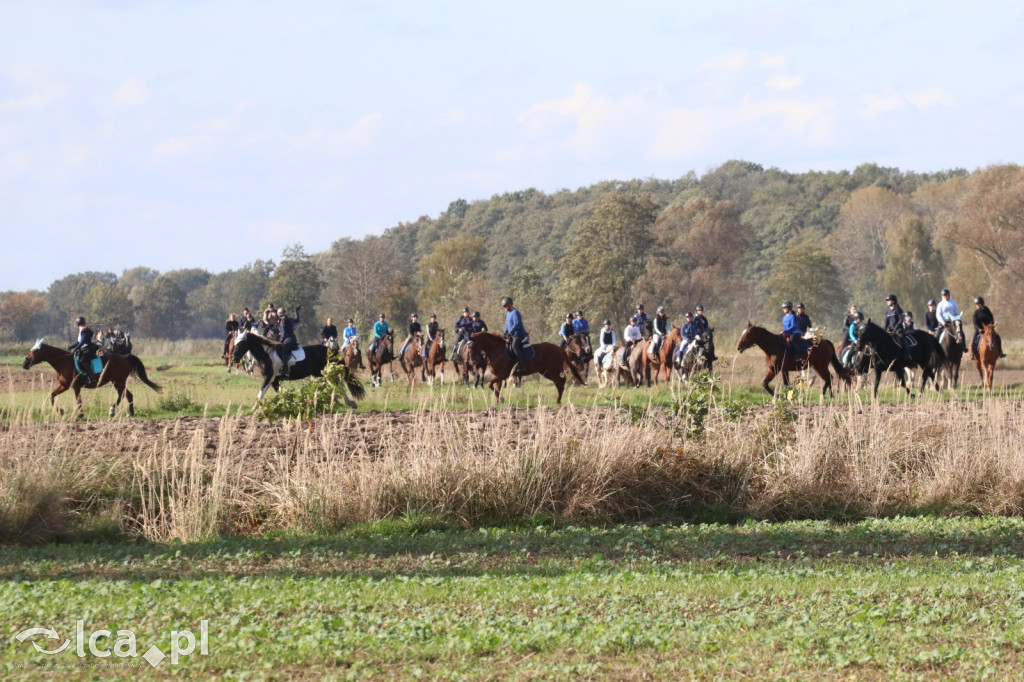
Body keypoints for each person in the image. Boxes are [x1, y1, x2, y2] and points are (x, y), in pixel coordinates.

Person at [68, 316, 100, 384]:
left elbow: (82, 342)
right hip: (84, 349)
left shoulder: (84, 330)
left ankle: (91, 378)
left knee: (83, 361)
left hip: (88, 349)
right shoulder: (82, 330)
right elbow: (78, 342)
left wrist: (75, 348)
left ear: (77, 324)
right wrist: (71, 347)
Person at [502, 296, 528, 373]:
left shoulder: (515, 312)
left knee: (514, 346)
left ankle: (522, 364)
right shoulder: (508, 313)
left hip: (519, 334)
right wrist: (505, 332)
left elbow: (517, 324)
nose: (504, 308)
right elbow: (507, 324)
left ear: (510, 304)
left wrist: (510, 332)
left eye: (505, 306)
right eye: (504, 306)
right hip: (512, 334)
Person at [275, 306, 301, 377]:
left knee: (281, 350)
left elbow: (283, 334)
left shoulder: (283, 321)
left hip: (288, 340)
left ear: (279, 314)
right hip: (293, 339)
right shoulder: (290, 319)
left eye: (277, 314)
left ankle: (285, 369)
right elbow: (297, 319)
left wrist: (279, 342)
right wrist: (296, 312)